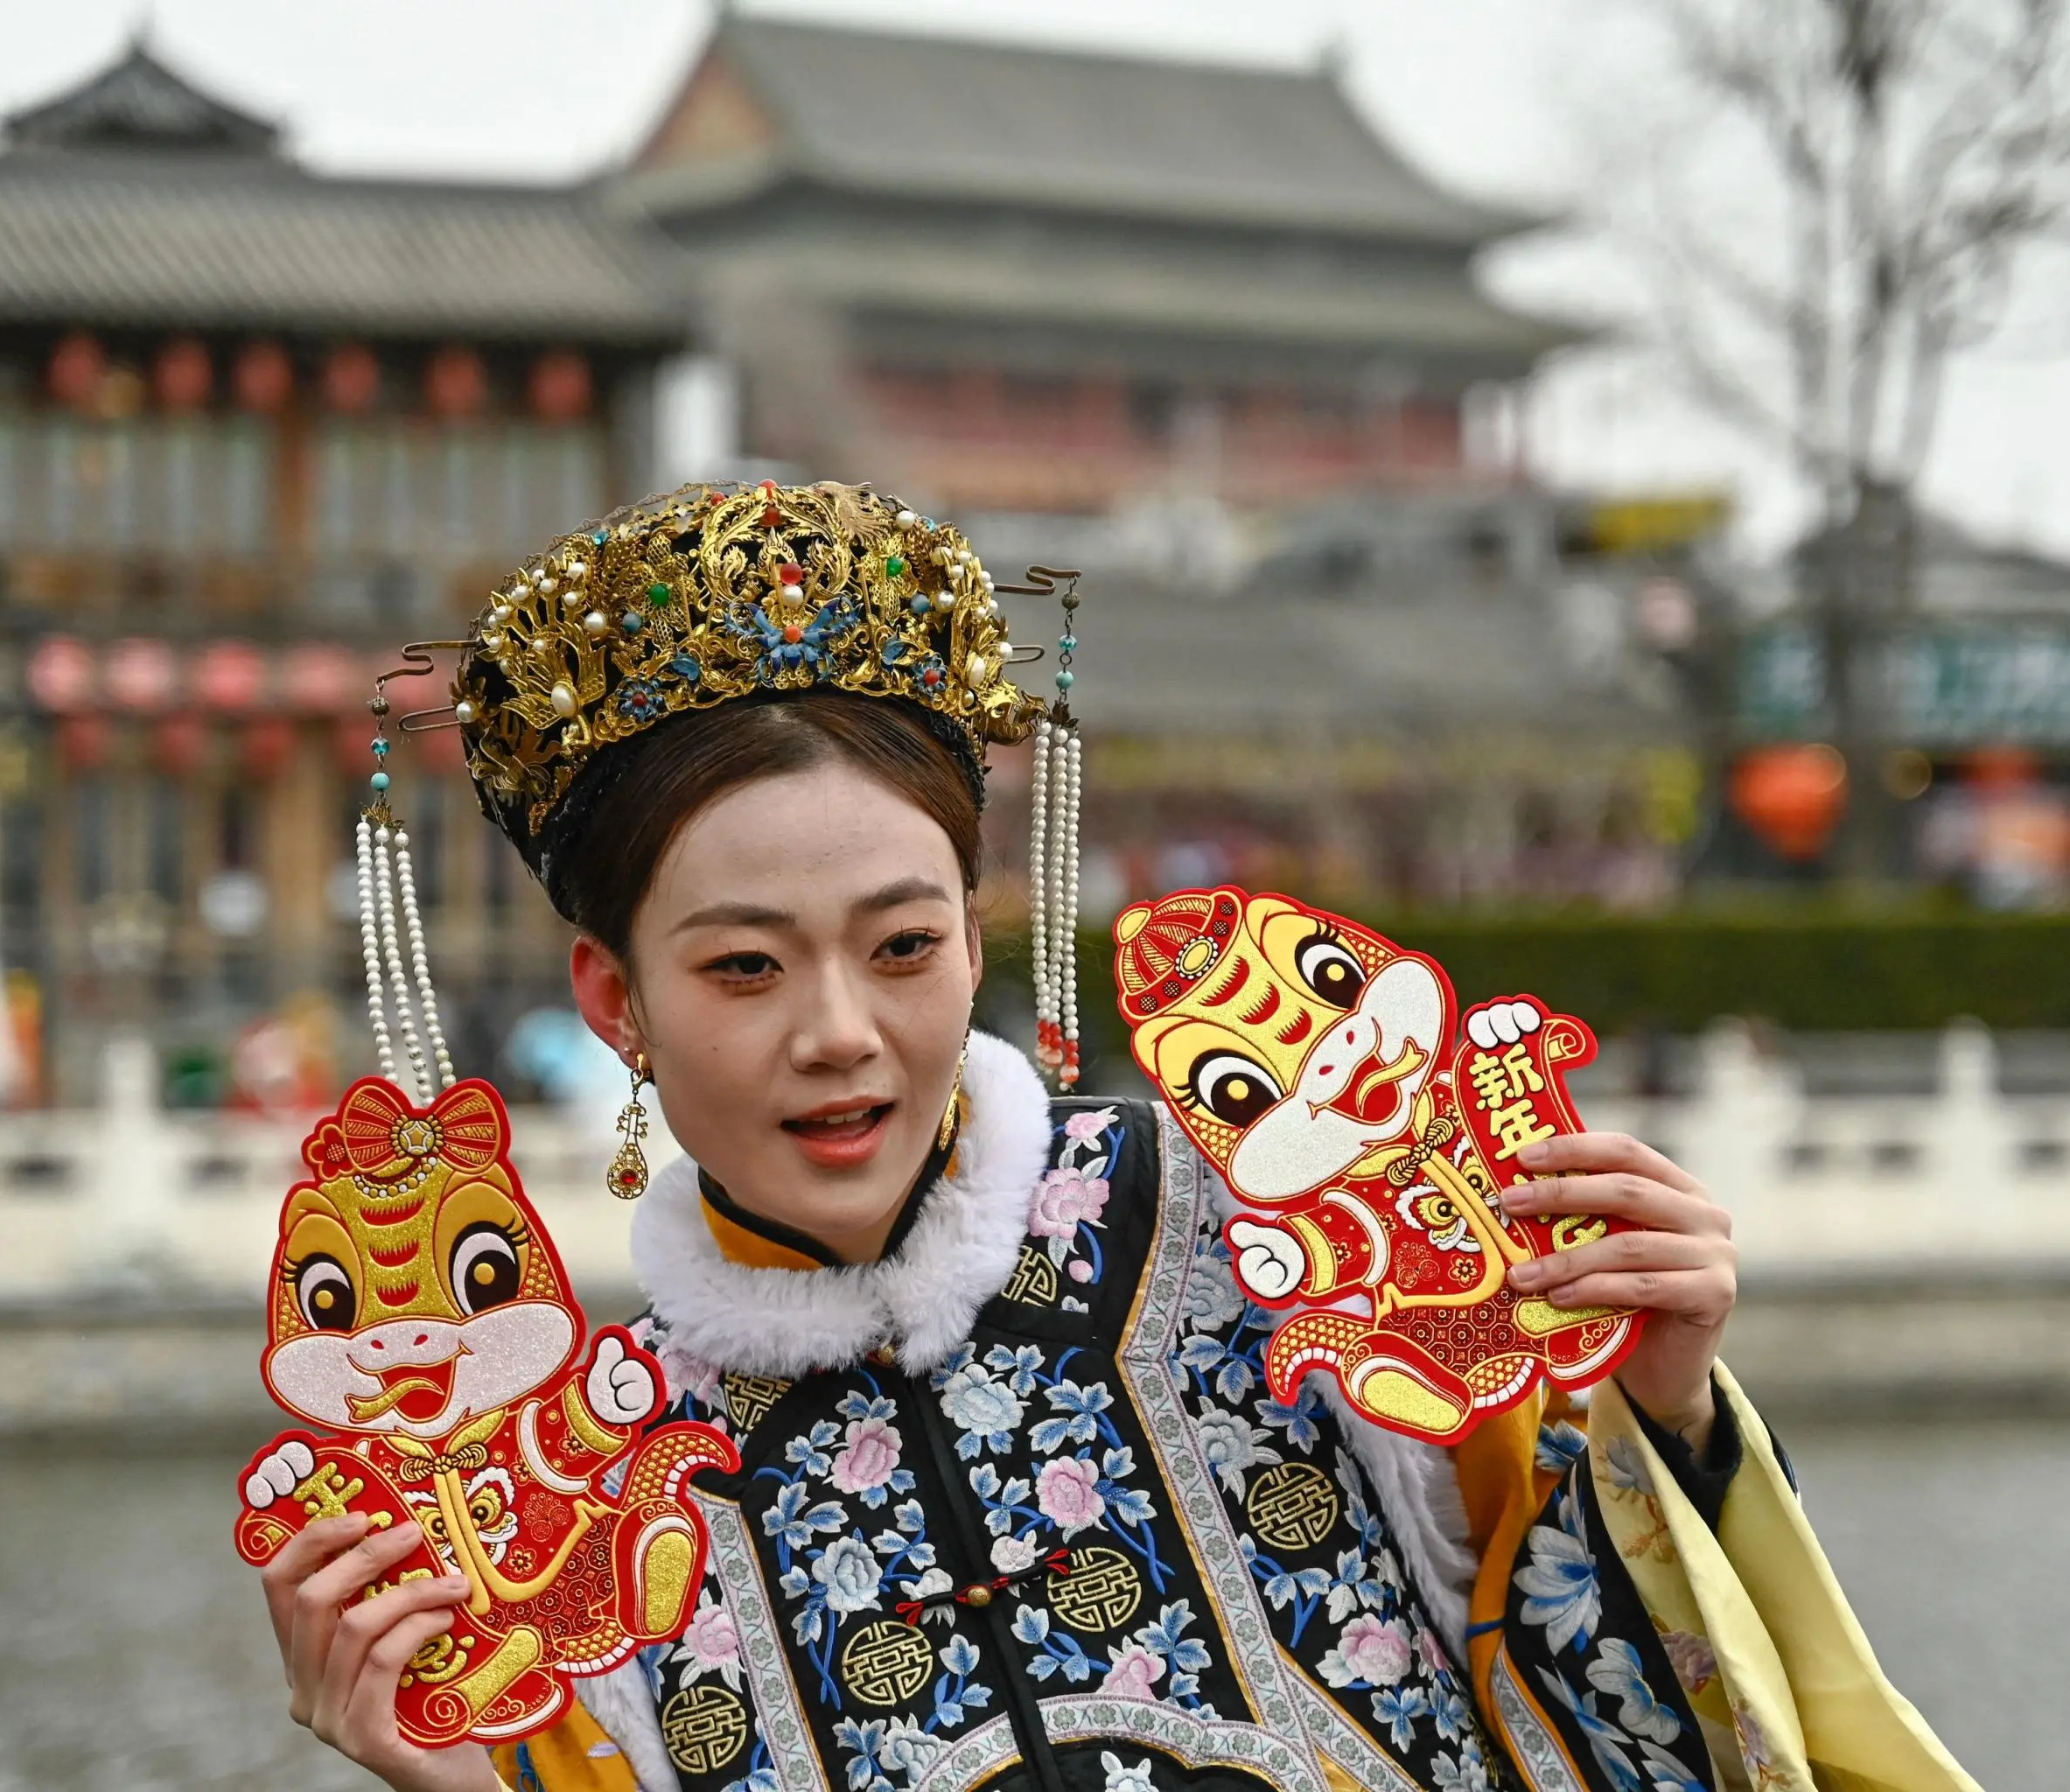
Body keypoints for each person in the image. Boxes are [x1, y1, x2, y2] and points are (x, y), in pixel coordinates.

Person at [252, 481, 1977, 1792]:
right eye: (745, 965)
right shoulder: (578, 1503)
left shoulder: (1265, 1241)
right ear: (612, 998)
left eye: (904, 942)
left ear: (983, 933)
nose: (842, 1028)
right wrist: (450, 1763)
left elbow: (1595, 1701)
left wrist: (1655, 1410)